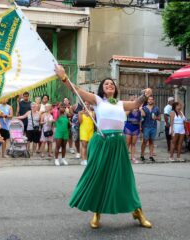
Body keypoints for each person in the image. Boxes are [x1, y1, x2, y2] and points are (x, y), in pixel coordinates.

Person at [56, 65, 153, 229]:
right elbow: (77, 90)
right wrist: (64, 77)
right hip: (101, 142)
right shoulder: (97, 100)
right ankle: (97, 212)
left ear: (115, 89)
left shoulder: (121, 103)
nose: (110, 85)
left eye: (112, 84)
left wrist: (146, 94)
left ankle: (138, 211)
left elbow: (137, 103)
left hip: (118, 144)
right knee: (98, 178)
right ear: (102, 88)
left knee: (125, 179)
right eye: (106, 83)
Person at [140, 96, 160, 163]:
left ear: (153, 101)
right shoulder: (144, 108)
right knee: (145, 141)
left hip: (153, 127)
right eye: (149, 99)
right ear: (147, 100)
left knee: (151, 141)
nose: (150, 100)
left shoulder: (156, 108)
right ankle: (142, 155)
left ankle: (151, 156)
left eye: (152, 99)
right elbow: (141, 118)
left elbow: (160, 118)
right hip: (146, 127)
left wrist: (156, 118)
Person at [124, 95, 142, 164]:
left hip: (136, 127)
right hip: (129, 126)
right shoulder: (129, 108)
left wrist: (140, 127)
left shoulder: (139, 110)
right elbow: (125, 114)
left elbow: (140, 119)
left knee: (133, 143)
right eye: (135, 100)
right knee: (127, 143)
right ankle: (125, 157)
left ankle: (133, 157)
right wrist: (131, 108)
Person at [78, 101, 95, 166]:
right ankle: (83, 159)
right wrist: (82, 114)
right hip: (83, 130)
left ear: (89, 105)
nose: (86, 105)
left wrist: (89, 114)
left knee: (90, 145)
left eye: (87, 104)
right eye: (85, 104)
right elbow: (80, 121)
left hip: (90, 130)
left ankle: (89, 159)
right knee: (84, 144)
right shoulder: (80, 112)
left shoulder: (93, 112)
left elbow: (94, 120)